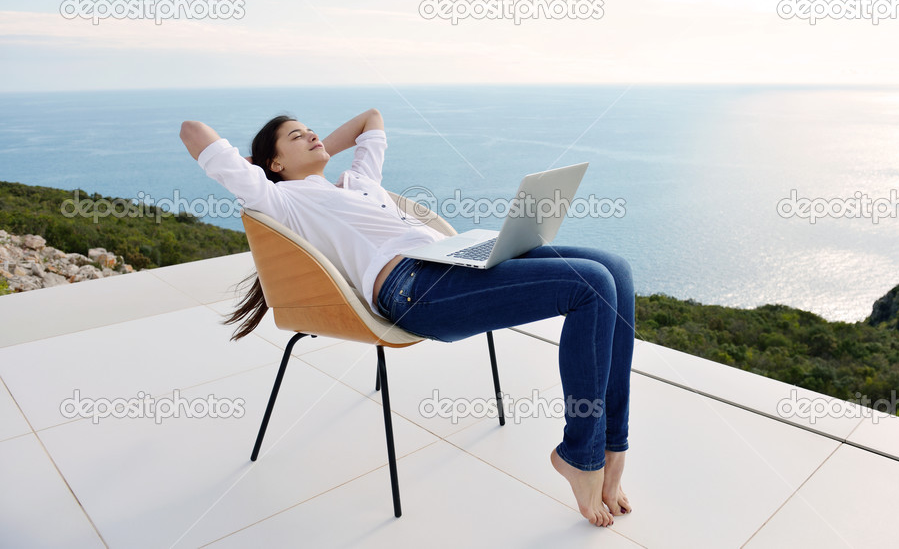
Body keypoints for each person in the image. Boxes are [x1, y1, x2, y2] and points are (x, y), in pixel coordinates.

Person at [179, 108, 635, 527]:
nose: (313, 135)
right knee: (590, 286)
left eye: (311, 129)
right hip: (413, 290)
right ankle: (581, 454)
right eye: (297, 136)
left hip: (451, 260)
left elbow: (371, 119)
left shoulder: (358, 182)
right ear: (274, 165)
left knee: (616, 271)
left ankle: (612, 448)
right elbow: (193, 131)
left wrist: (315, 150)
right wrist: (253, 167)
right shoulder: (281, 200)